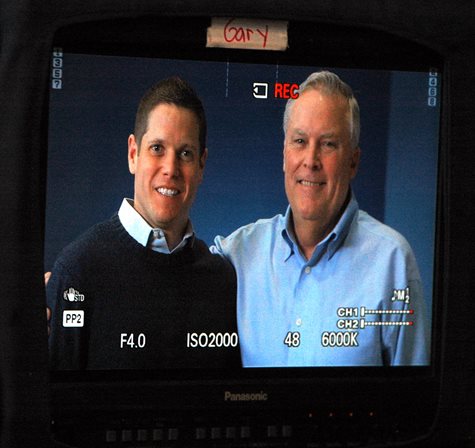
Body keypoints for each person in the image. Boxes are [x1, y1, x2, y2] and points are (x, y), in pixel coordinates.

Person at [212, 71, 430, 367]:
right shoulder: (238, 254)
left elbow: (413, 399)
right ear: (284, 155)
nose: (310, 161)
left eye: (328, 144)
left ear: (353, 161)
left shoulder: (392, 261)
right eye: (300, 141)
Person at [47, 77, 239, 370]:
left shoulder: (222, 280)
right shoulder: (77, 270)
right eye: (157, 149)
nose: (170, 169)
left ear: (202, 166)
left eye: (185, 153)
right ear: (133, 154)